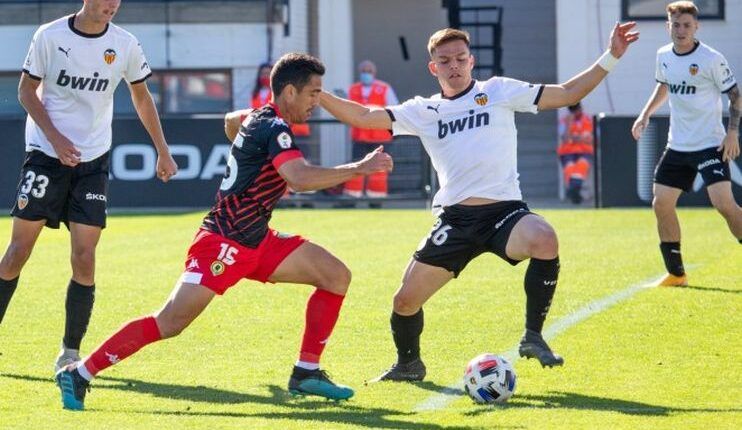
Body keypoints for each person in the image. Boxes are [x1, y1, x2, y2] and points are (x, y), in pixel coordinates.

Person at [54, 52, 393, 410]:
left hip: (256, 239)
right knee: (170, 321)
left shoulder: (260, 116)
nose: (317, 103)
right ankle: (79, 373)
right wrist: (361, 167)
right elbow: (299, 178)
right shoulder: (274, 127)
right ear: (290, 92)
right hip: (223, 243)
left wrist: (246, 133)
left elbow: (231, 123)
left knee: (335, 276)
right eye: (314, 94)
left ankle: (306, 371)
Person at [320, 24, 638, 381]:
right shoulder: (423, 110)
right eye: (444, 61)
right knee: (404, 302)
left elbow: (566, 93)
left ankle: (533, 336)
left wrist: (612, 56)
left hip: (504, 212)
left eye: (459, 59)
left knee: (544, 237)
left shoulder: (499, 91)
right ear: (433, 68)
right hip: (455, 220)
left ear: (471, 61)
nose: (453, 66)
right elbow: (363, 116)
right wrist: (318, 94)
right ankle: (409, 365)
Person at [0, 0, 178, 372]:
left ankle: (69, 352)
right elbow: (26, 92)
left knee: (85, 256)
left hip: (93, 162)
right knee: (17, 252)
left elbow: (142, 97)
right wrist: (55, 138)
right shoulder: (50, 36)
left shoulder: (125, 44)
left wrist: (163, 150)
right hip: (46, 156)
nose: (112, 5)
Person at [631, 1, 740, 287]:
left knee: (724, 205)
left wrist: (732, 132)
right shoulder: (663, 55)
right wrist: (645, 114)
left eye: (686, 25)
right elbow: (663, 85)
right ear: (669, 26)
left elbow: (735, 95)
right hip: (677, 145)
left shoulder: (710, 58)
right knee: (661, 203)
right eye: (676, 25)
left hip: (709, 145)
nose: (681, 30)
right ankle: (677, 274)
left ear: (696, 27)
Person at [344, 60, 399, 202]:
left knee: (379, 168)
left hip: (380, 136)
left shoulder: (384, 88)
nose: (366, 74)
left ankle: (377, 198)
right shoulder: (353, 89)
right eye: (364, 71)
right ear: (359, 72)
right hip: (359, 136)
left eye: (369, 71)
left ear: (374, 73)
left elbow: (395, 109)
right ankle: (352, 196)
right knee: (356, 165)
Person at [251, 62, 311, 137]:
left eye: (268, 73)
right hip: (265, 131)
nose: (265, 76)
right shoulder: (255, 94)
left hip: (288, 131)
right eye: (263, 73)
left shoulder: (280, 91)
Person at [558, 102, 594, 204]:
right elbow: (565, 139)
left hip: (584, 151)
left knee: (582, 164)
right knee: (570, 167)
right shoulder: (564, 121)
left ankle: (572, 190)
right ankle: (575, 190)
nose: (578, 112)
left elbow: (591, 138)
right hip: (567, 152)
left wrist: (574, 138)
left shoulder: (588, 119)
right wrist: (569, 125)